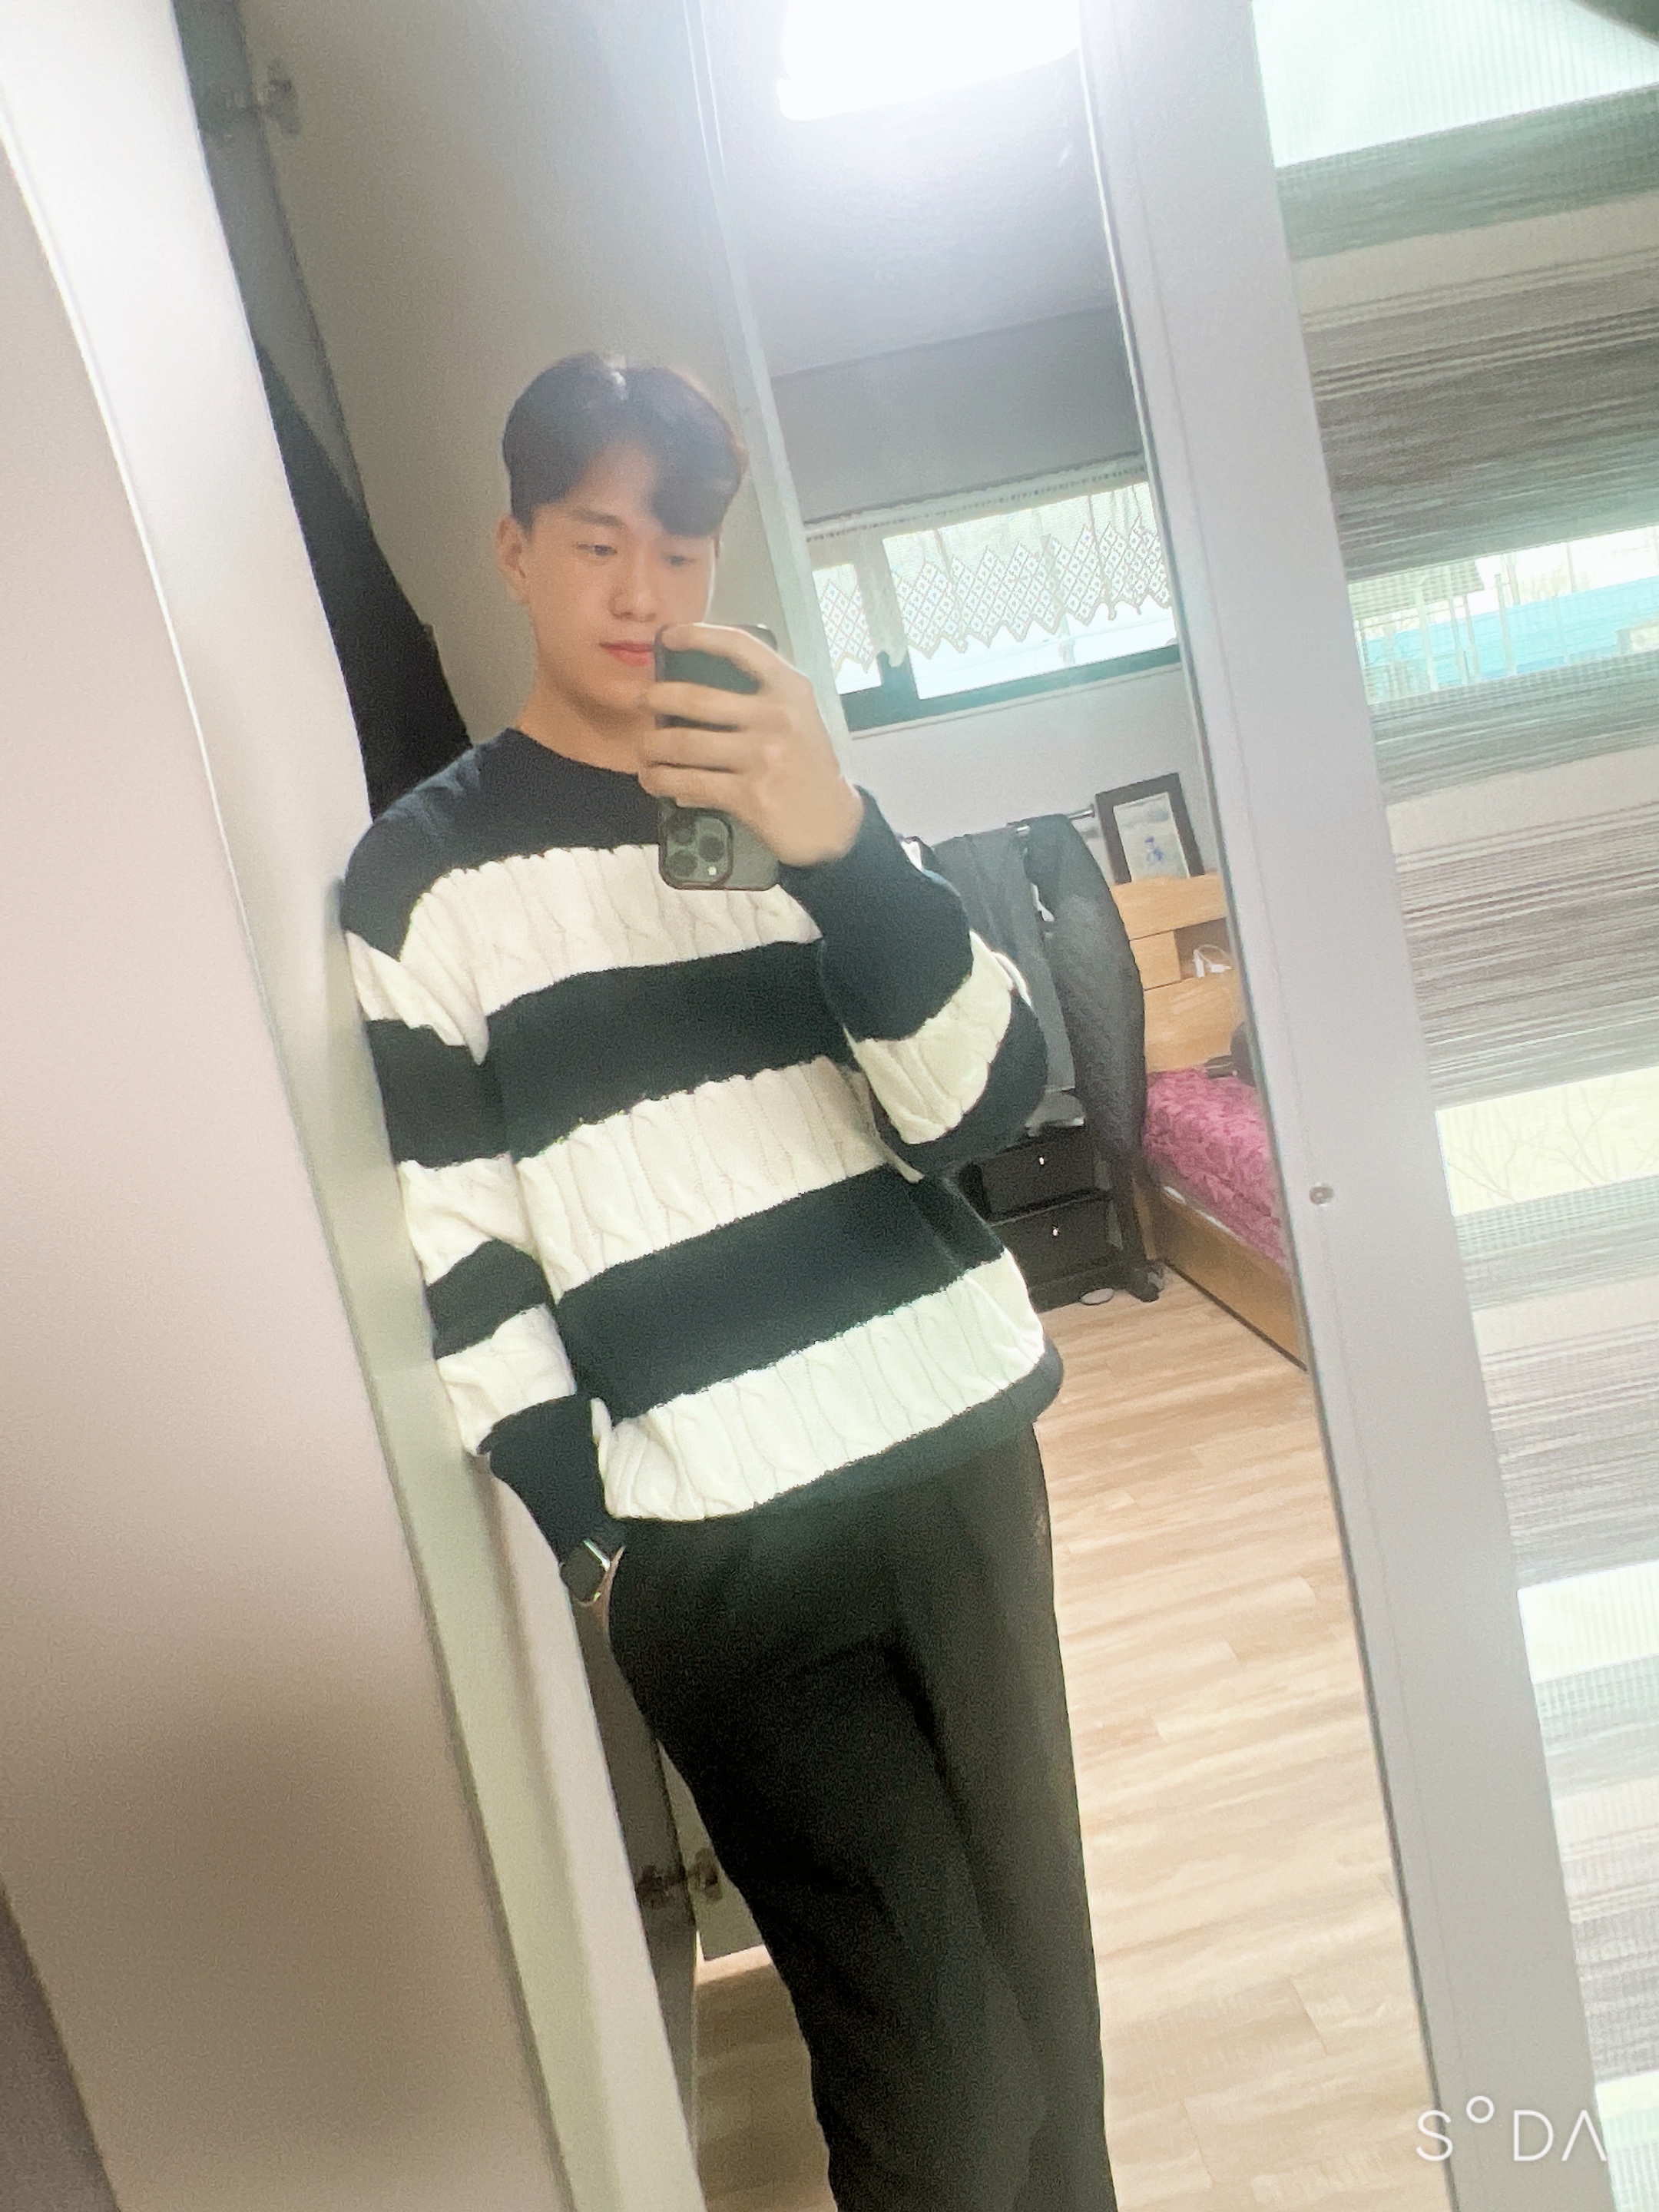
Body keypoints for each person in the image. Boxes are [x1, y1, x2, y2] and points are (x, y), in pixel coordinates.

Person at [339, 353, 1115, 2212]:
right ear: (514, 550)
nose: (642, 591)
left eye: (679, 549)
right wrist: (600, 1539)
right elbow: (460, 1253)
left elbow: (980, 1102)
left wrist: (839, 850)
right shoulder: (418, 884)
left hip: (951, 1455)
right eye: (595, 539)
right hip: (720, 1544)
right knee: (934, 2072)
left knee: (1046, 2012)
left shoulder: (802, 796)